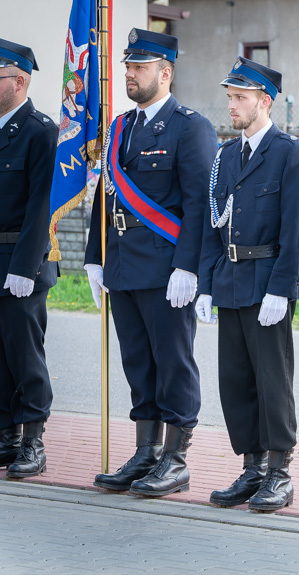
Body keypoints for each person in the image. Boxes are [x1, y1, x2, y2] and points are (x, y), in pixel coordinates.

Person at [84, 29, 218, 497]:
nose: (129, 74)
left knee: (172, 362)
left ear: (166, 72)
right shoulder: (121, 127)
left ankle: (176, 459)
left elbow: (201, 204)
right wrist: (94, 257)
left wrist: (190, 268)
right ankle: (145, 453)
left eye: (139, 67)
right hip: (122, 264)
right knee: (137, 362)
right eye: (127, 67)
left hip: (166, 270)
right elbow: (106, 197)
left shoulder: (190, 127)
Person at [196, 57, 299, 513]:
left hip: (266, 282)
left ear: (265, 101)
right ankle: (252, 468)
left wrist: (281, 290)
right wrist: (206, 285)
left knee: (272, 381)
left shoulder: (289, 152)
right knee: (236, 381)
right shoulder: (226, 156)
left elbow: (298, 229)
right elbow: (214, 226)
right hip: (229, 281)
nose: (232, 105)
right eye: (229, 97)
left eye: (240, 98)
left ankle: (280, 472)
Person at [0, 39, 58, 478]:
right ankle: (4, 435)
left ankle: (32, 440)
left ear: (19, 81)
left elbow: (42, 204)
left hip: (22, 260)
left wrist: (24, 266)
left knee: (24, 353)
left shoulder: (41, 132)